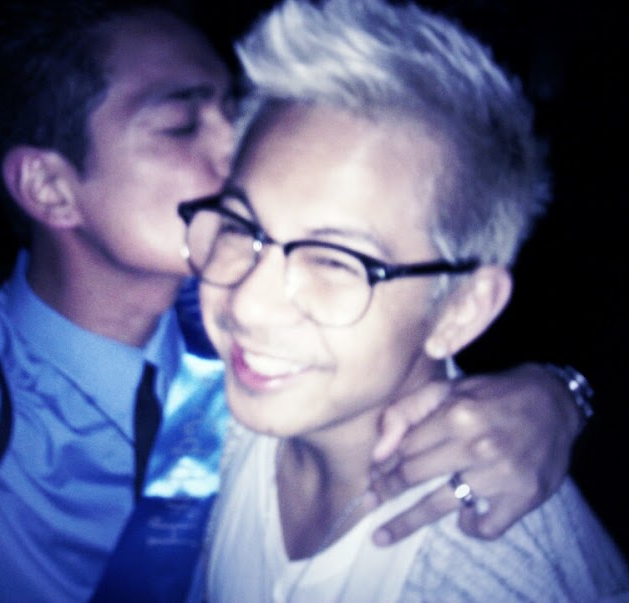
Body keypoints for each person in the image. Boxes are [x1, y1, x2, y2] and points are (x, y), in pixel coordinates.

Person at [0, 0, 594, 600]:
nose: (240, 150)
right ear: (51, 187)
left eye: (232, 109)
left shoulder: (242, 331)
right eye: (180, 124)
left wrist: (557, 392)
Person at [190, 0, 629, 600]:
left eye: (335, 260)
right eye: (242, 228)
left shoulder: (490, 577)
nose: (247, 306)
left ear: (461, 309)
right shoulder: (210, 421)